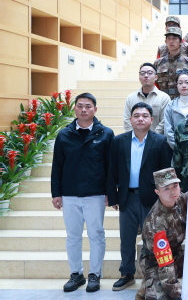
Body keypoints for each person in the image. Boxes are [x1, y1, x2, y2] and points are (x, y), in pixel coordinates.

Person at [51, 93, 114, 293]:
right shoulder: (64, 134)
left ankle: (94, 274)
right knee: (73, 236)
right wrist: (56, 193)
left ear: (95, 109)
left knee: (96, 234)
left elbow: (111, 166)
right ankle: (76, 274)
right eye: (80, 106)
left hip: (95, 194)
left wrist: (110, 192)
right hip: (69, 194)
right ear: (74, 109)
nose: (84, 109)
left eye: (88, 106)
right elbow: (57, 166)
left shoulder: (105, 134)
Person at [107, 102, 173, 291]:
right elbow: (111, 170)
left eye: (144, 116)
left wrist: (165, 198)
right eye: (136, 116)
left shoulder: (160, 141)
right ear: (130, 119)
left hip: (151, 198)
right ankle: (127, 274)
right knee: (127, 238)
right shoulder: (119, 141)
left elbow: (165, 172)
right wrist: (113, 197)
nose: (140, 119)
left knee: (153, 238)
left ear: (151, 120)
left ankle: (153, 274)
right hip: (127, 197)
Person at [137, 168, 187, 300]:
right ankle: (148, 285)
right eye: (166, 188)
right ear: (157, 192)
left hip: (177, 255)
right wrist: (175, 292)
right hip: (156, 263)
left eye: (175, 186)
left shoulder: (181, 200)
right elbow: (165, 262)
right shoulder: (155, 223)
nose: (172, 191)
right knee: (162, 296)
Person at [123, 63, 170, 134]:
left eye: (150, 73)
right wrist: (133, 137)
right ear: (139, 77)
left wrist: (152, 137)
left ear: (156, 77)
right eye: (142, 73)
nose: (146, 76)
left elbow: (165, 120)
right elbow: (127, 120)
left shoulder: (164, 98)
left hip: (157, 139)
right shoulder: (131, 98)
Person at [154, 27, 188, 100]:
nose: (171, 41)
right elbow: (154, 83)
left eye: (174, 38)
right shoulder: (158, 63)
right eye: (169, 39)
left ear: (181, 42)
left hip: (183, 99)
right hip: (162, 99)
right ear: (165, 42)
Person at [163, 69, 188, 149]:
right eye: (180, 83)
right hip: (175, 150)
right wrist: (178, 149)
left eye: (187, 82)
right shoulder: (170, 106)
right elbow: (168, 131)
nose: (183, 85)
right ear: (177, 85)